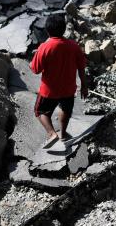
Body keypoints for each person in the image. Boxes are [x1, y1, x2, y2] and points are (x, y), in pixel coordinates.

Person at [30, 14, 88, 148]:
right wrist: (84, 85)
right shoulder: (73, 46)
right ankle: (63, 134)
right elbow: (81, 67)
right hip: (68, 89)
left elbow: (35, 69)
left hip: (49, 91)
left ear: (47, 30)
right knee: (65, 110)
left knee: (40, 111)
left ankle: (52, 134)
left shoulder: (44, 47)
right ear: (64, 30)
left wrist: (32, 62)